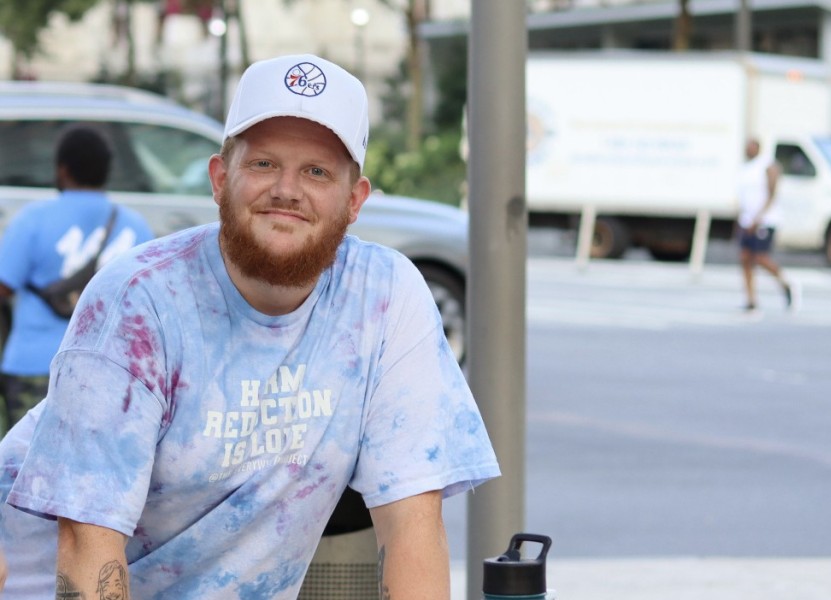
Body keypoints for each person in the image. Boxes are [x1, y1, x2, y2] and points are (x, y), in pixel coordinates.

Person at [0, 54, 500, 599]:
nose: (287, 189)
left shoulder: (384, 296)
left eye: (316, 171)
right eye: (263, 164)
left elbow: (412, 525)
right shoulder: (138, 301)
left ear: (355, 200)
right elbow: (85, 545)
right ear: (220, 178)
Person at [0, 125, 153, 435]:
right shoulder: (136, 226)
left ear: (62, 169)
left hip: (33, 364)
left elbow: (4, 286)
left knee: (23, 470)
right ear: (107, 171)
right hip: (108, 369)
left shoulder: (32, 219)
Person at [736, 137, 796, 312]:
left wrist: (758, 218)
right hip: (746, 220)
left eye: (751, 146)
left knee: (760, 257)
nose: (748, 149)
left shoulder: (768, 165)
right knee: (745, 258)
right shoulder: (745, 168)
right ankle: (750, 299)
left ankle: (786, 282)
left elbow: (772, 194)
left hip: (765, 220)